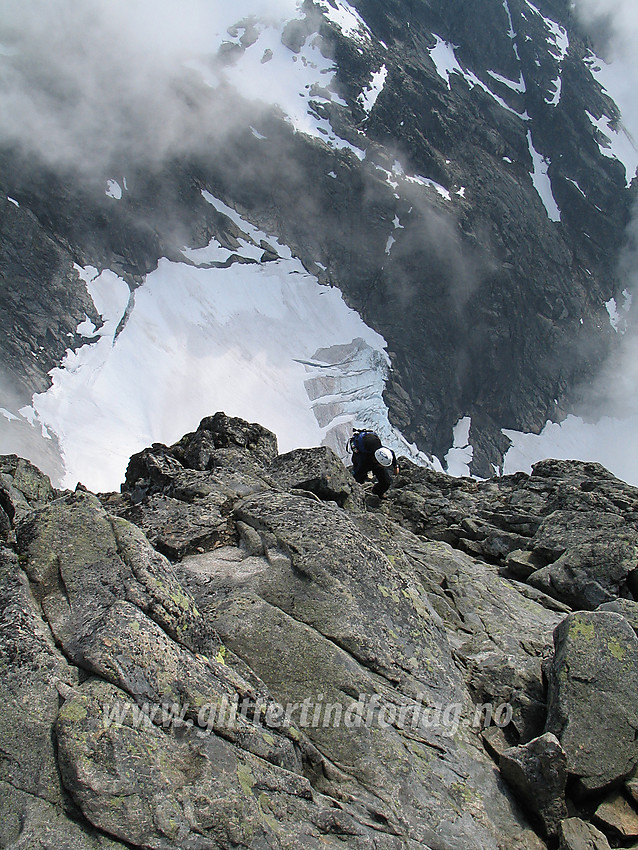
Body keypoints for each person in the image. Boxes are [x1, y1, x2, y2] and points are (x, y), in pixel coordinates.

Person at [348, 429, 399, 498]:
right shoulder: (363, 462)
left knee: (386, 482)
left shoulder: (382, 452)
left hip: (372, 461)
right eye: (383, 465)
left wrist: (396, 466)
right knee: (360, 479)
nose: (384, 467)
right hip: (359, 459)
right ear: (378, 462)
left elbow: (392, 453)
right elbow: (356, 477)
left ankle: (377, 492)